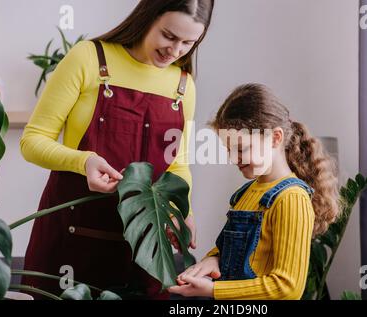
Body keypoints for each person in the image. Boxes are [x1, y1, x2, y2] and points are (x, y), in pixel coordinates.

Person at [20, 0, 215, 299]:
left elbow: (177, 165)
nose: (176, 51)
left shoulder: (183, 85)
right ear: (147, 17)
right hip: (72, 239)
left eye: (189, 42)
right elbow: (32, 140)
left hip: (142, 250)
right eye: (169, 36)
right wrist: (84, 161)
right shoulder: (88, 57)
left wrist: (180, 208)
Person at [168, 83, 340, 299]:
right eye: (229, 150)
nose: (233, 158)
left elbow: (288, 287)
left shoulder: (292, 198)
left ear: (275, 138)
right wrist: (214, 259)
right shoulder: (246, 192)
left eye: (241, 149)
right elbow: (235, 251)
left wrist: (213, 290)